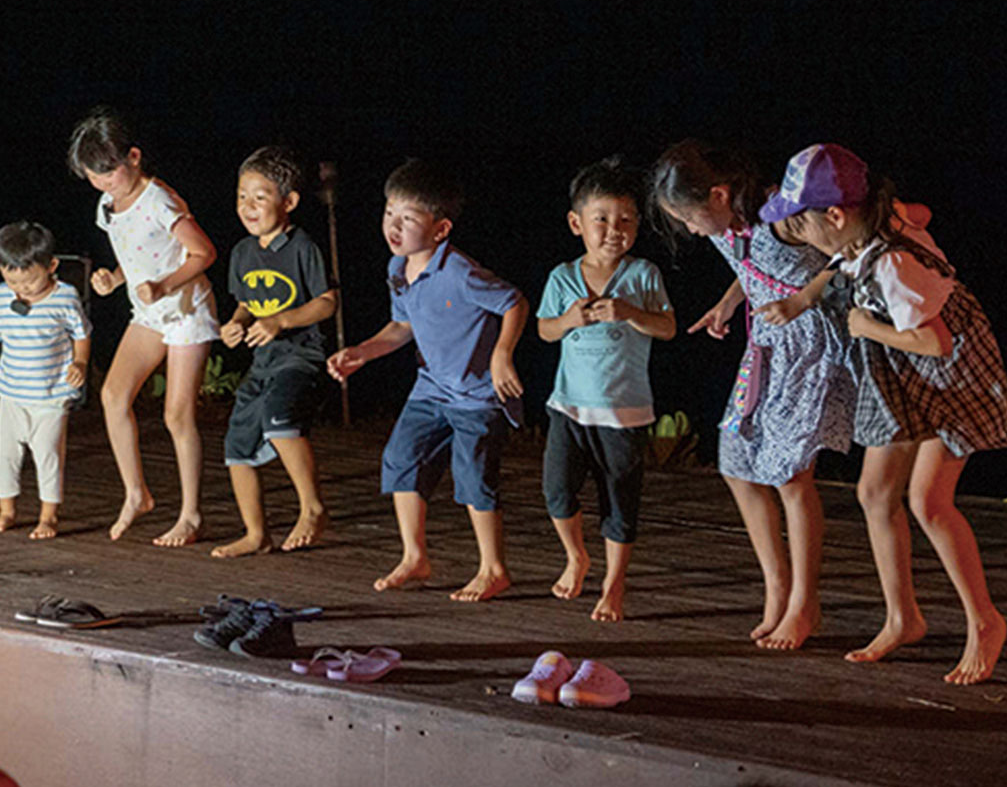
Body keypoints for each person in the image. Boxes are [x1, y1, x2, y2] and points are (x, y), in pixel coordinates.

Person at [756, 144, 1007, 684]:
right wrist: (801, 301)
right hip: (904, 376)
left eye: (802, 225)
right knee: (875, 493)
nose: (800, 236)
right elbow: (842, 264)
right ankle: (903, 618)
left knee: (929, 501)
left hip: (951, 378)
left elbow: (936, 341)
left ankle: (985, 620)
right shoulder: (872, 225)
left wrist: (866, 327)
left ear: (836, 215)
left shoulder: (893, 264)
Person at [650, 140, 856, 650]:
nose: (691, 229)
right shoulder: (728, 225)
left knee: (791, 475)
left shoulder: (779, 216)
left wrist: (802, 299)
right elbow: (751, 268)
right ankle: (778, 587)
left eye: (689, 217)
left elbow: (851, 251)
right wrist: (727, 301)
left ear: (718, 195)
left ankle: (804, 603)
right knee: (736, 462)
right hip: (765, 350)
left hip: (808, 349)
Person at [327, 158, 528, 601]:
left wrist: (502, 355)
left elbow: (513, 302)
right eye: (389, 213)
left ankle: (493, 568)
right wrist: (362, 352)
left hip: (476, 394)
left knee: (473, 476)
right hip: (432, 387)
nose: (394, 226)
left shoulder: (459, 272)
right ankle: (414, 556)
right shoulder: (397, 268)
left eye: (408, 218)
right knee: (401, 457)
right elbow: (402, 327)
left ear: (440, 229)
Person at [68, 107, 218, 547]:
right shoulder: (107, 205)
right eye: (93, 176)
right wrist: (115, 279)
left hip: (186, 310)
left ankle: (191, 515)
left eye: (108, 172)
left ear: (133, 157)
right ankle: (137, 494)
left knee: (177, 414)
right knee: (113, 395)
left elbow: (204, 253)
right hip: (149, 312)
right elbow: (136, 253)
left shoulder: (159, 200)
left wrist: (164, 284)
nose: (102, 182)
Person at [537, 157, 675, 622]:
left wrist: (630, 313)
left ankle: (614, 583)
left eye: (626, 220)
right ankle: (576, 556)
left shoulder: (643, 274)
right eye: (602, 219)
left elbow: (668, 327)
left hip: (625, 413)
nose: (614, 230)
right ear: (577, 223)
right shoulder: (562, 276)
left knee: (619, 503)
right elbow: (544, 331)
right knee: (557, 491)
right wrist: (568, 320)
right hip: (568, 407)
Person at [211, 147, 338, 558]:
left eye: (260, 197)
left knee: (279, 418)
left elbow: (327, 302)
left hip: (301, 357)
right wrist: (235, 324)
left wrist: (281, 321)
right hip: (262, 362)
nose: (248, 206)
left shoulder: (302, 247)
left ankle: (313, 508)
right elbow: (247, 302)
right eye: (241, 196)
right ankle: (255, 534)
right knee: (236, 446)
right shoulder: (243, 252)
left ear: (289, 201)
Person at [0, 222, 91, 540]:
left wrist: (80, 362)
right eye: (12, 280)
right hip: (10, 392)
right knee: (5, 455)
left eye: (29, 281)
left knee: (48, 455)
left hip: (51, 396)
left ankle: (48, 516)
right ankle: (7, 510)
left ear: (51, 266)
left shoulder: (65, 297)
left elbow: (81, 334)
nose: (21, 289)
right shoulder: (2, 297)